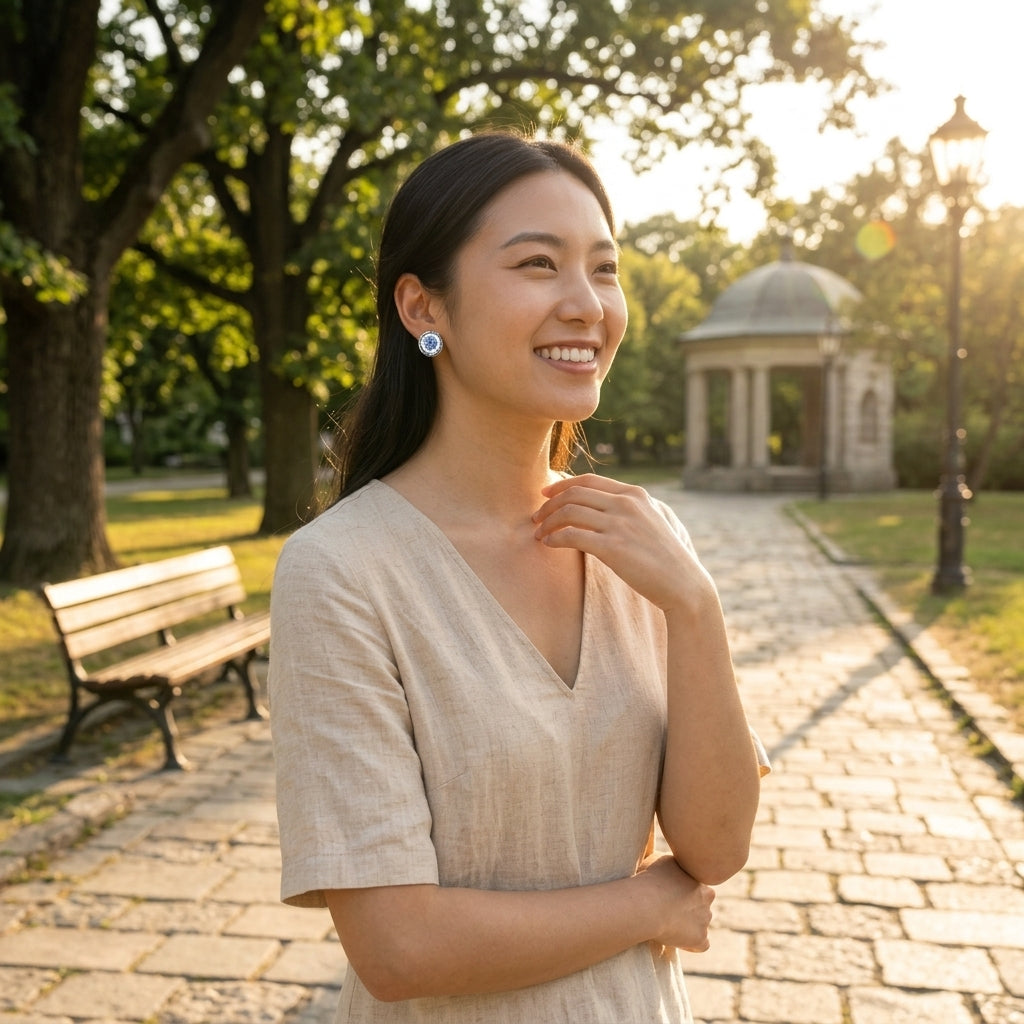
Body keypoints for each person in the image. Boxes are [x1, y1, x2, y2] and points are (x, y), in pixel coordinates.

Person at [269, 129, 770, 1024]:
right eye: (538, 265)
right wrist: (651, 903)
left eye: (605, 270)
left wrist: (695, 606)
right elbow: (398, 947)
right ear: (424, 309)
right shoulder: (343, 571)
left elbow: (717, 845)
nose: (586, 304)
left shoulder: (642, 545)